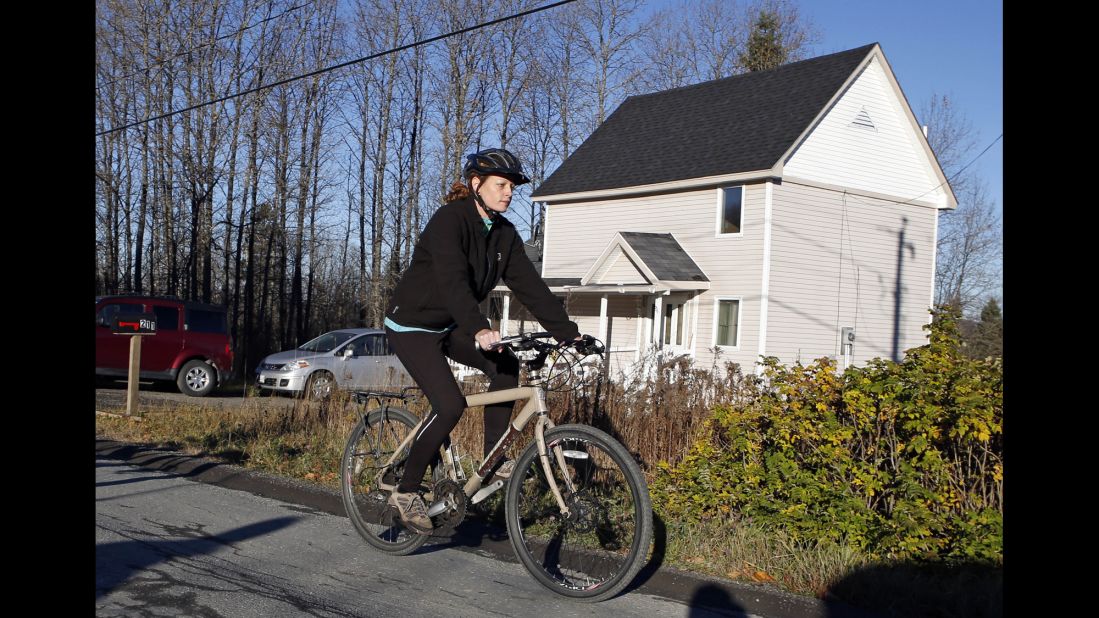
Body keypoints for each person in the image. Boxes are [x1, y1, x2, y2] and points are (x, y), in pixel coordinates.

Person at [383, 147, 583, 533]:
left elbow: (531, 287)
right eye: (501, 185)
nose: (509, 193)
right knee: (450, 404)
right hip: (412, 326)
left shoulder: (505, 235)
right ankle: (406, 490)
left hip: (451, 324)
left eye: (512, 187)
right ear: (477, 184)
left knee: (506, 363)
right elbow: (453, 282)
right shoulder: (449, 221)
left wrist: (569, 333)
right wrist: (478, 328)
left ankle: (493, 458)